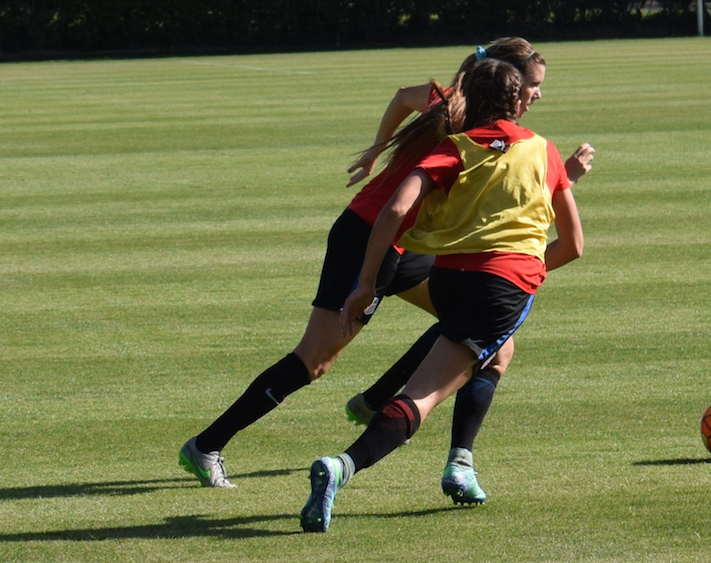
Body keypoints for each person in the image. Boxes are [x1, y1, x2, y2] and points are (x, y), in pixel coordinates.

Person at [177, 38, 592, 498]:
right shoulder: (456, 113)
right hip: (369, 234)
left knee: (489, 338)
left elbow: (405, 101)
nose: (536, 95)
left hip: (407, 243)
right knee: (315, 360)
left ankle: (382, 405)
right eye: (532, 85)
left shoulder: (465, 114)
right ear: (506, 83)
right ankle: (207, 444)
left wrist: (378, 151)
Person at [300, 57, 590, 533]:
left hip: (448, 279)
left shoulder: (455, 147)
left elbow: (395, 207)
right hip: (501, 285)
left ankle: (460, 462)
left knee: (497, 355)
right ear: (518, 100)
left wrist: (368, 283)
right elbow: (573, 246)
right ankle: (342, 467)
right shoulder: (544, 150)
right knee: (422, 397)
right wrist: (525, 272)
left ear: (468, 98)